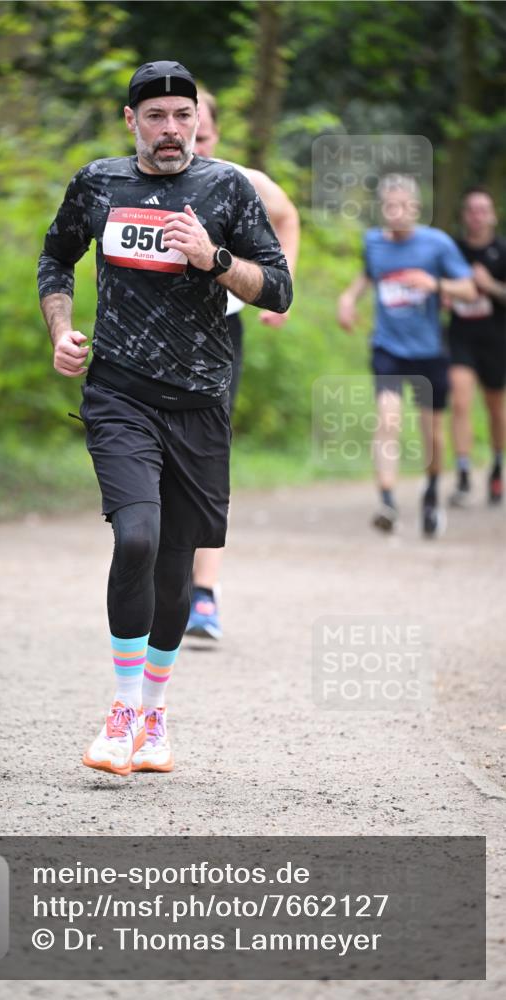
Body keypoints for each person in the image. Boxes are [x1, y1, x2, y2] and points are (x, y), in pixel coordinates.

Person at [38, 60, 292, 775]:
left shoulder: (226, 188)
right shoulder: (98, 184)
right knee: (138, 539)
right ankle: (121, 711)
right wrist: (60, 329)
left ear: (197, 120)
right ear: (132, 121)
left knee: (177, 568)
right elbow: (55, 259)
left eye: (183, 116)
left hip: (201, 402)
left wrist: (214, 258)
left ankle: (154, 715)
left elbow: (277, 288)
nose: (171, 129)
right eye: (156, 116)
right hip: (119, 394)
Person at [185, 89, 300, 641]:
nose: (192, 145)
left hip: (219, 334)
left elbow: (287, 215)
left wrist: (282, 284)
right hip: (149, 337)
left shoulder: (239, 180)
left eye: (202, 135)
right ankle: (163, 576)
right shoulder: (135, 181)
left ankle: (203, 593)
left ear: (216, 134)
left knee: (208, 455)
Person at [337, 174, 476, 537]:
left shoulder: (437, 244)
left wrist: (436, 284)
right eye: (389, 206)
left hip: (429, 351)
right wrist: (349, 298)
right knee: (388, 420)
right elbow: (369, 275)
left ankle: (431, 493)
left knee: (433, 434)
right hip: (388, 348)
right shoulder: (373, 242)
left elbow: (469, 289)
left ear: (416, 208)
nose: (396, 213)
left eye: (403, 206)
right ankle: (387, 502)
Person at [446, 188, 506, 506]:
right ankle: (464, 474)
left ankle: (496, 466)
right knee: (460, 401)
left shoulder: (502, 251)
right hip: (461, 337)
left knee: (496, 409)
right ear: (464, 215)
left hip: (496, 339)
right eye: (472, 210)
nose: (477, 216)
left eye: (483, 210)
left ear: (493, 215)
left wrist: (489, 285)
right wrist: (445, 294)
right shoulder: (452, 250)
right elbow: (440, 284)